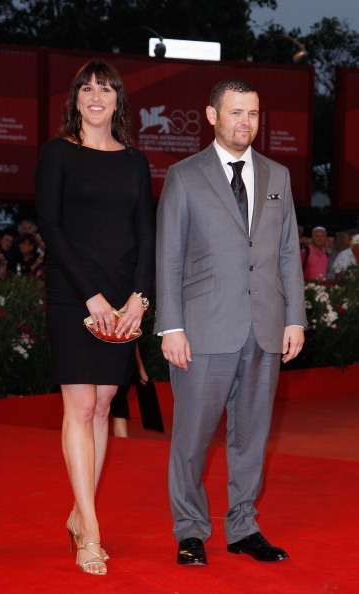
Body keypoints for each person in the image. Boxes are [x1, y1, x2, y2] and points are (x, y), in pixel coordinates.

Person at [155, 77, 306, 566]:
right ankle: (190, 529)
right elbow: (169, 257)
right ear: (212, 115)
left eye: (254, 114)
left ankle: (243, 526)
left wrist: (295, 318)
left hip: (264, 326)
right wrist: (170, 326)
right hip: (202, 330)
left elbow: (287, 255)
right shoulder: (183, 175)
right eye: (236, 112)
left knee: (251, 436)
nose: (246, 123)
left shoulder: (278, 175)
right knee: (192, 438)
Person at [35, 60, 155, 576]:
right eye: (87, 88)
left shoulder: (134, 161)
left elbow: (148, 236)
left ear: (117, 101)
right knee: (80, 407)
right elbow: (51, 226)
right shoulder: (58, 153)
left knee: (105, 406)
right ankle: (90, 530)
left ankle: (79, 512)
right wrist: (93, 297)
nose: (96, 95)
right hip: (74, 296)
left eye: (105, 88)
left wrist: (139, 299)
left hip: (124, 299)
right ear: (76, 100)